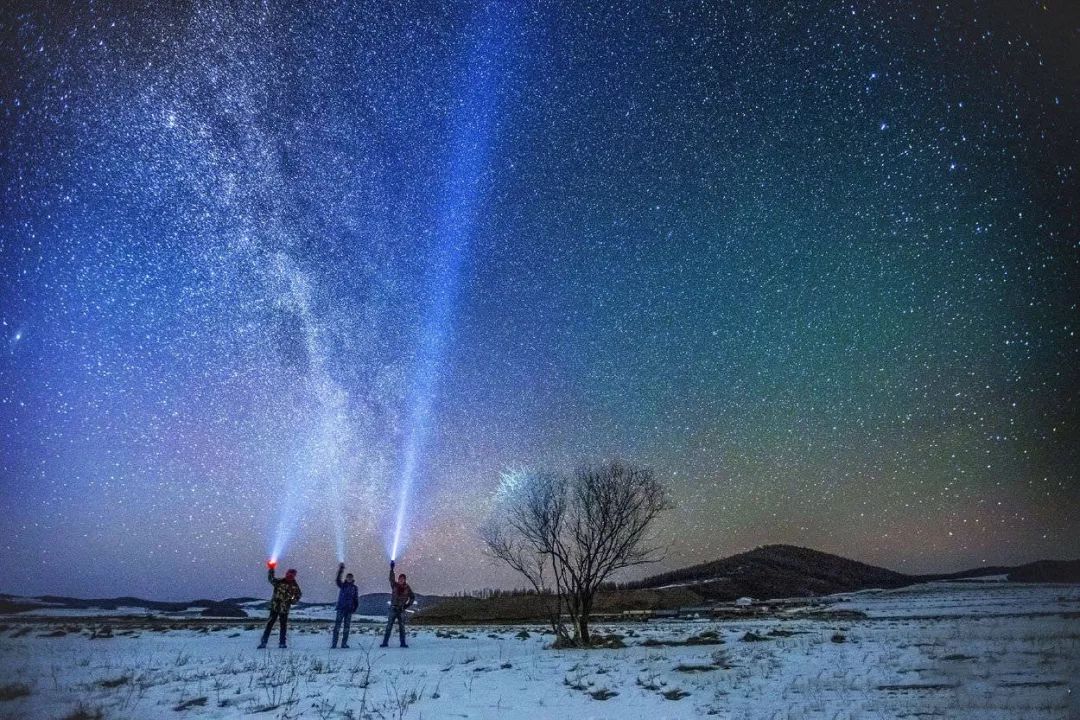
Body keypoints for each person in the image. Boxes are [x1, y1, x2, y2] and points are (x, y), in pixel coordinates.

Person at [258, 562, 302, 649]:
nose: (289, 576)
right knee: (269, 625)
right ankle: (264, 642)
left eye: (291, 575)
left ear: (294, 576)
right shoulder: (279, 582)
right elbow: (271, 579)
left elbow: (298, 595)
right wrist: (271, 568)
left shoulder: (295, 586)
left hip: (284, 609)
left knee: (283, 626)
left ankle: (282, 643)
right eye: (288, 574)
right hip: (275, 607)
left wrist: (292, 601)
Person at [380, 560, 415, 648]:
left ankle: (402, 643)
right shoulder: (394, 585)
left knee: (402, 627)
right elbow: (391, 579)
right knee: (389, 626)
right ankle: (385, 642)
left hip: (401, 609)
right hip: (393, 608)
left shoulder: (407, 588)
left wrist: (407, 605)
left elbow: (412, 597)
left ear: (405, 580)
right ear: (398, 579)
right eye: (400, 579)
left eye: (403, 579)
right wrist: (392, 569)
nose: (401, 580)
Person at [332, 562, 360, 649]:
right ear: (346, 578)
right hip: (341, 608)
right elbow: (337, 580)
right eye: (348, 577)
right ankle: (334, 644)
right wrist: (341, 570)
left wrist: (355, 607)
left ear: (352, 579)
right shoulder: (342, 585)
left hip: (349, 610)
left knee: (346, 628)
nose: (349, 579)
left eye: (350, 578)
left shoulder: (355, 588)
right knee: (337, 627)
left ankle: (344, 643)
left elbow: (356, 599)